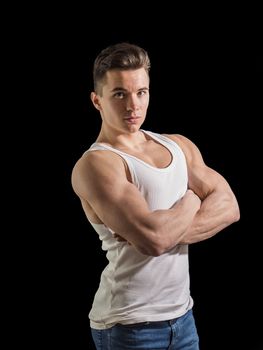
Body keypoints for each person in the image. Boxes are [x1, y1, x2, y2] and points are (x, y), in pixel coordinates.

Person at [71, 42, 240, 350]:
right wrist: (193, 198)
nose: (133, 105)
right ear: (97, 100)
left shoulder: (177, 145)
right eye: (119, 94)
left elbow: (229, 206)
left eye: (141, 92)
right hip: (129, 327)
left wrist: (162, 230)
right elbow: (154, 240)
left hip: (183, 317)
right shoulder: (97, 164)